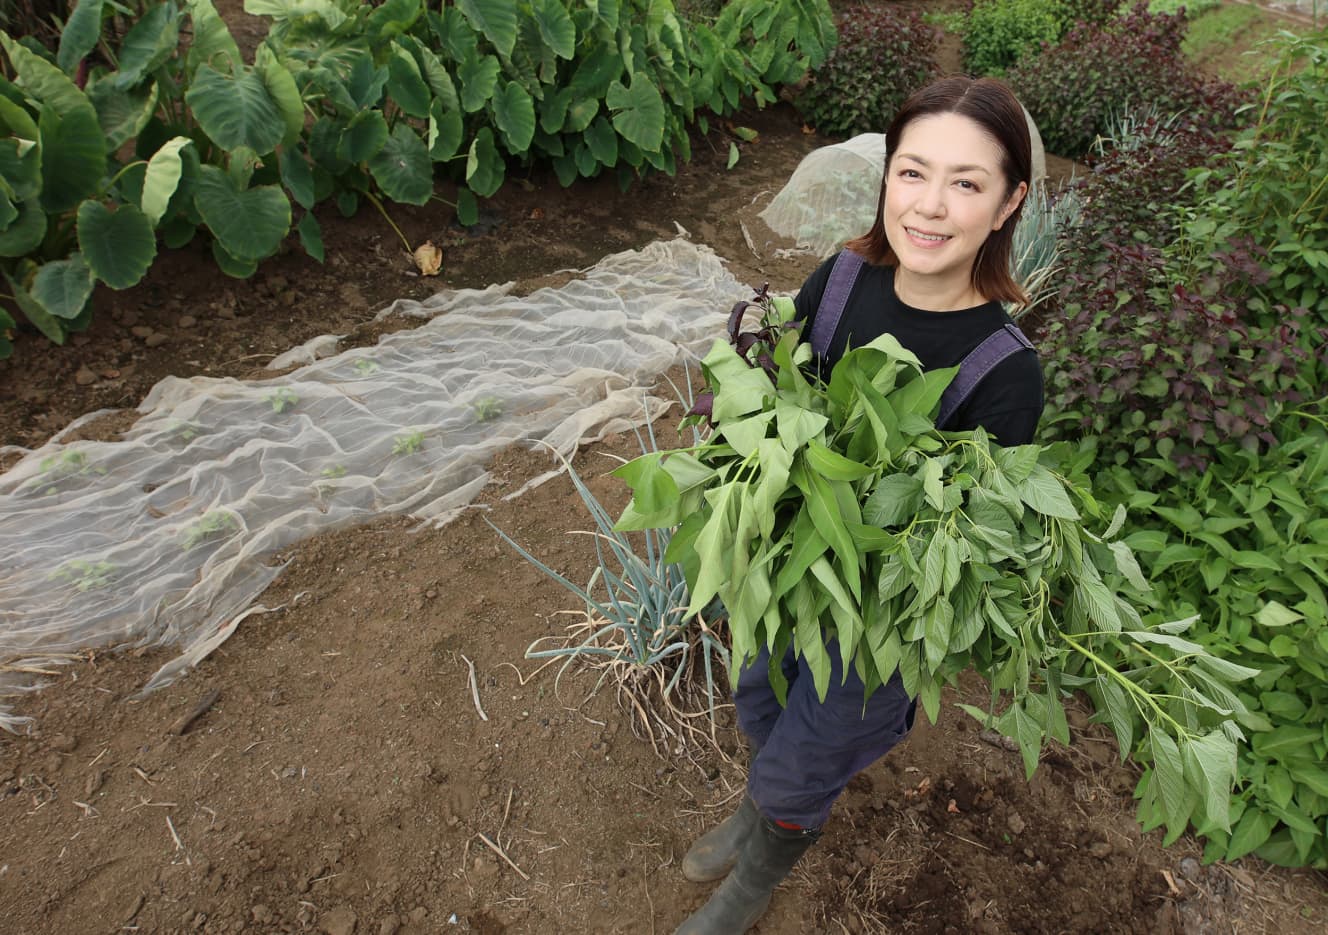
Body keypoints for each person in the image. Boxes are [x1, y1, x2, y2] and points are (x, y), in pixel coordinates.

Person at [674, 76, 1045, 935]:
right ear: (886, 178)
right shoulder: (842, 278)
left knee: (812, 754)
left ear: (1007, 203)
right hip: (791, 577)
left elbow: (978, 529)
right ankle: (753, 812)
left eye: (967, 182)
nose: (930, 205)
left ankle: (754, 879)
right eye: (912, 172)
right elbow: (781, 385)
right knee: (762, 699)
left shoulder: (1002, 369)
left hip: (874, 625)